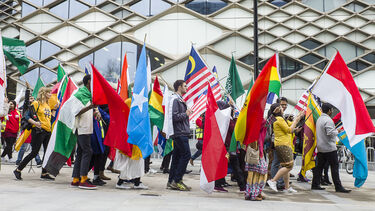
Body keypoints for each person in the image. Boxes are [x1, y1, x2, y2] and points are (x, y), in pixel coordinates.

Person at [14, 87, 56, 180]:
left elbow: (49, 119)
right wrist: (35, 123)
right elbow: (27, 116)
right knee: (34, 152)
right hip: (38, 131)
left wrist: (54, 110)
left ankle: (44, 173)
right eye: (49, 93)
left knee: (47, 153)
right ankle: (18, 169)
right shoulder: (36, 103)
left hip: (47, 131)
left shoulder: (48, 105)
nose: (50, 94)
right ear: (44, 93)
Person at [311, 103, 351, 193]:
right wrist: (338, 131)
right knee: (334, 167)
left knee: (319, 167)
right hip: (329, 147)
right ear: (329, 110)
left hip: (321, 147)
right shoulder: (328, 120)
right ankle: (338, 186)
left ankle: (315, 184)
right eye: (332, 110)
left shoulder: (320, 119)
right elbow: (330, 132)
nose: (332, 111)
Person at [267, 103, 304, 193]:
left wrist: (298, 118)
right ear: (278, 110)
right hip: (283, 144)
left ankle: (286, 187)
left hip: (284, 144)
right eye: (281, 107)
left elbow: (290, 126)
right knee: (289, 166)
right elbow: (289, 130)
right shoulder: (279, 119)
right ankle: (273, 181)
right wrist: (297, 120)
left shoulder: (280, 119)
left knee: (286, 165)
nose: (283, 108)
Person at [70, 75, 97, 190]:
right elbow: (75, 112)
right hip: (82, 128)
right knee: (87, 151)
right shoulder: (80, 94)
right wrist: (91, 107)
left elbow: (86, 110)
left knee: (81, 152)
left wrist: (94, 111)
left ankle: (76, 179)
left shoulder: (88, 95)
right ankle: (84, 179)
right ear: (89, 82)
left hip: (85, 127)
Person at [115, 98, 148, 190]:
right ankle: (120, 182)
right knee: (128, 161)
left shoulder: (141, 102)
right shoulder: (129, 102)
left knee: (138, 161)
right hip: (130, 137)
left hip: (137, 136)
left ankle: (137, 182)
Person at [167, 80, 192, 191]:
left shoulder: (179, 100)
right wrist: (186, 114)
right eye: (185, 86)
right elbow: (175, 117)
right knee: (186, 155)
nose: (187, 87)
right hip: (180, 132)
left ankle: (171, 181)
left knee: (176, 157)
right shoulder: (176, 100)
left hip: (180, 132)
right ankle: (177, 180)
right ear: (179, 87)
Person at [89, 107, 110, 186]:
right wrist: (94, 113)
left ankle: (96, 177)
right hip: (92, 135)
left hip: (100, 135)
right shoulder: (89, 106)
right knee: (92, 156)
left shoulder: (97, 108)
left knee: (98, 156)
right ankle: (82, 176)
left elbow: (107, 118)